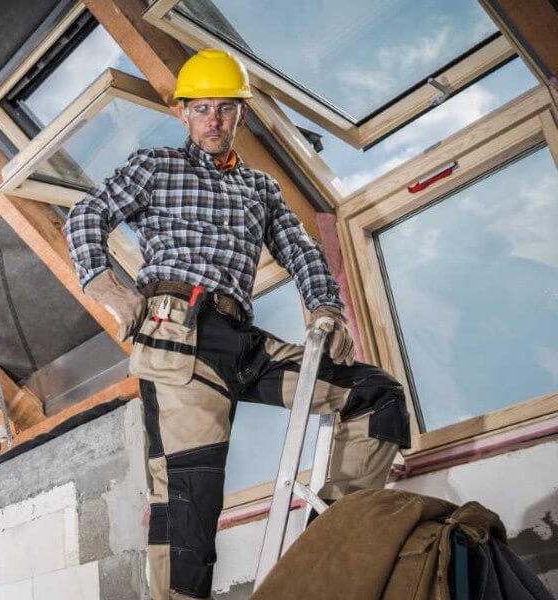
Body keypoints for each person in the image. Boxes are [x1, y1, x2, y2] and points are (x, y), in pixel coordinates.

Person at [63, 49, 412, 600]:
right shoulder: (155, 166)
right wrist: (105, 286)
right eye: (201, 110)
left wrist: (326, 307)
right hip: (178, 338)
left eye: (224, 109)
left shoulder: (262, 189)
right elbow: (87, 214)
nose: (213, 121)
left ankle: (331, 542)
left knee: (377, 395)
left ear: (240, 115)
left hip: (240, 341)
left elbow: (300, 251)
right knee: (190, 510)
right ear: (183, 114)